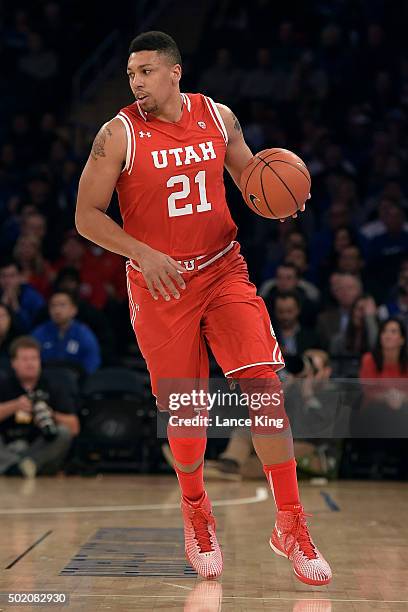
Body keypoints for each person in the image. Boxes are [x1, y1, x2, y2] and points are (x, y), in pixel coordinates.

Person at [75, 31, 331, 584]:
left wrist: (282, 196)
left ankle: (292, 524)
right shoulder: (117, 134)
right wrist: (142, 253)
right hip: (160, 286)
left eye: (145, 71)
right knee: (188, 415)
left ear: (174, 72)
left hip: (221, 270)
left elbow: (248, 177)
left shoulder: (217, 116)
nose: (136, 82)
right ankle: (196, 511)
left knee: (264, 387)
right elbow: (86, 215)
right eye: (130, 73)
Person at [0, 336, 79, 477]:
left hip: (40, 450)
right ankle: (19, 467)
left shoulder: (53, 386)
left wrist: (51, 415)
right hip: (8, 447)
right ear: (13, 363)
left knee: (63, 432)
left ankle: (18, 468)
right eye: (25, 359)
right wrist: (15, 405)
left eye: (34, 358)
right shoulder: (4, 385)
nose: (30, 364)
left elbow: (74, 427)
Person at [357, 318, 408, 437]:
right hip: (374, 414)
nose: (387, 335)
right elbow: (368, 391)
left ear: (402, 339)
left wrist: (401, 397)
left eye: (393, 332)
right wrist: (387, 397)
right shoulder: (369, 359)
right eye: (384, 331)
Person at [32, 290, 101, 374]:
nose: (57, 310)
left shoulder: (84, 335)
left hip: (76, 383)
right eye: (53, 306)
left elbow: (91, 364)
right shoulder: (39, 333)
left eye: (62, 305)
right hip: (45, 381)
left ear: (74, 310)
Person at [0, 258, 45, 332]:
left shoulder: (33, 297)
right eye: (3, 276)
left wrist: (16, 307)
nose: (7, 281)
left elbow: (31, 327)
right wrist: (3, 305)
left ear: (20, 277)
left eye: (12, 276)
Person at [273, 292, 321, 357]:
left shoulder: (312, 338)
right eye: (280, 311)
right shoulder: (267, 337)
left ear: (298, 310)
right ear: (275, 311)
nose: (285, 316)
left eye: (289, 311)